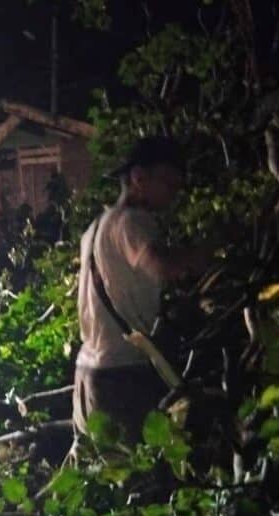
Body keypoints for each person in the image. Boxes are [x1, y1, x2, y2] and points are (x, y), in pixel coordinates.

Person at [72, 137, 209, 445]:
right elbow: (164, 268)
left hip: (88, 372)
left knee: (114, 466)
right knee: (146, 464)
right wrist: (211, 249)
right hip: (120, 375)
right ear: (139, 178)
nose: (174, 193)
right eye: (168, 183)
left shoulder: (96, 227)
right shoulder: (131, 222)